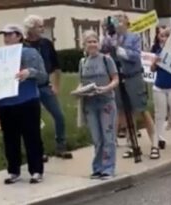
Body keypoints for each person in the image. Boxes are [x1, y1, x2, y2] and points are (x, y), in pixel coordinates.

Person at [101, 14, 160, 159]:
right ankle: (132, 144)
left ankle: (155, 144)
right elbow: (102, 50)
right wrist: (105, 35)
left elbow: (135, 55)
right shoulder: (111, 38)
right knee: (125, 112)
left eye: (121, 20)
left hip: (133, 77)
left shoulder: (133, 37)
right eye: (116, 21)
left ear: (127, 23)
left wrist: (121, 51)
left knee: (141, 109)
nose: (118, 23)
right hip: (119, 79)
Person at [0, 24, 47, 184]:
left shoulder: (29, 52)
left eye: (10, 35)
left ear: (19, 36)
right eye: (4, 35)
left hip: (26, 99)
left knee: (31, 136)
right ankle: (13, 170)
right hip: (4, 102)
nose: (6, 38)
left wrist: (29, 73)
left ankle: (36, 170)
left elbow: (43, 76)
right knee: (10, 138)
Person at [23, 15, 72, 159]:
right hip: (29, 86)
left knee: (59, 116)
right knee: (34, 120)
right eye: (40, 26)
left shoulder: (46, 44)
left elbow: (56, 66)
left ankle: (61, 146)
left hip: (45, 86)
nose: (43, 29)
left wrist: (56, 86)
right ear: (31, 28)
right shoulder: (23, 46)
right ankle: (38, 151)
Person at [72, 30, 119, 180]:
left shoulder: (106, 60)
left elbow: (115, 79)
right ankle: (97, 167)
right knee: (97, 138)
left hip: (106, 102)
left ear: (98, 44)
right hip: (90, 103)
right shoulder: (82, 62)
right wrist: (79, 90)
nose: (92, 44)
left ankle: (108, 168)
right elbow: (81, 81)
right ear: (84, 45)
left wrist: (106, 88)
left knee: (108, 136)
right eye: (89, 42)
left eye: (94, 41)